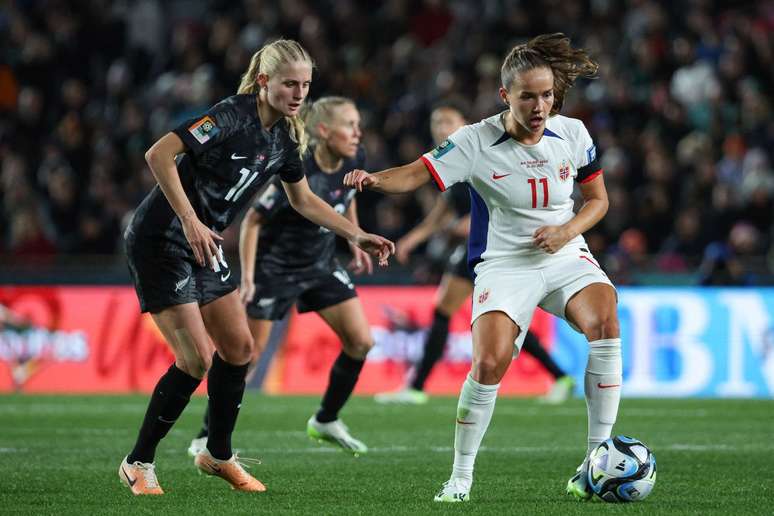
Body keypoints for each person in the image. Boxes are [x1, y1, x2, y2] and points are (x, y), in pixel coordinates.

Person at [344, 33, 620, 503]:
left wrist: (565, 232)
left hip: (565, 253)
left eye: (547, 95)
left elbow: (598, 201)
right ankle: (461, 477)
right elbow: (415, 173)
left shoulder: (573, 133)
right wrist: (373, 180)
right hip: (504, 264)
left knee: (606, 321)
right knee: (489, 363)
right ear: (504, 95)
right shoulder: (473, 141)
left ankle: (597, 460)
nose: (539, 106)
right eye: (528, 96)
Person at [119, 40, 393, 496]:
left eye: (305, 85)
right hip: (162, 240)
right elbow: (158, 154)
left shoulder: (284, 139)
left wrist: (354, 233)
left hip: (204, 242)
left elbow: (303, 200)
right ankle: (137, 462)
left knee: (240, 348)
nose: (299, 93)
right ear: (264, 81)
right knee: (195, 360)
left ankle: (217, 453)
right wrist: (189, 219)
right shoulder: (229, 116)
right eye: (290, 83)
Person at [187, 96, 374, 457]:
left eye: (357, 124)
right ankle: (205, 434)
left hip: (320, 265)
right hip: (276, 269)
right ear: (323, 130)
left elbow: (346, 195)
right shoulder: (299, 167)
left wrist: (354, 236)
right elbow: (254, 220)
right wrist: (252, 276)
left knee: (361, 341)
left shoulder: (356, 158)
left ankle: (326, 419)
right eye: (349, 124)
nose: (357, 132)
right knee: (248, 356)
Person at [374, 100, 575, 406]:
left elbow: (505, 194)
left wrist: (471, 222)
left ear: (464, 123)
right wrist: (411, 240)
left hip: (497, 248)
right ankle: (559, 376)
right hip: (476, 249)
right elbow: (442, 214)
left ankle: (416, 387)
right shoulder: (451, 161)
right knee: (467, 313)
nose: (441, 128)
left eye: (447, 121)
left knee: (475, 315)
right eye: (436, 124)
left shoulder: (480, 153)